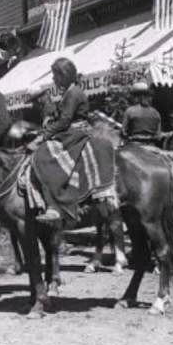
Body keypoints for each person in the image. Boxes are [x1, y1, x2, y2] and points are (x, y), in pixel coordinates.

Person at [29, 58, 115, 225]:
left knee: (44, 154)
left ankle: (55, 205)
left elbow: (65, 121)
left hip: (74, 133)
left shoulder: (74, 92)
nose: (53, 79)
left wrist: (43, 137)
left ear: (64, 75)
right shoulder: (69, 91)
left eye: (55, 76)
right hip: (70, 131)